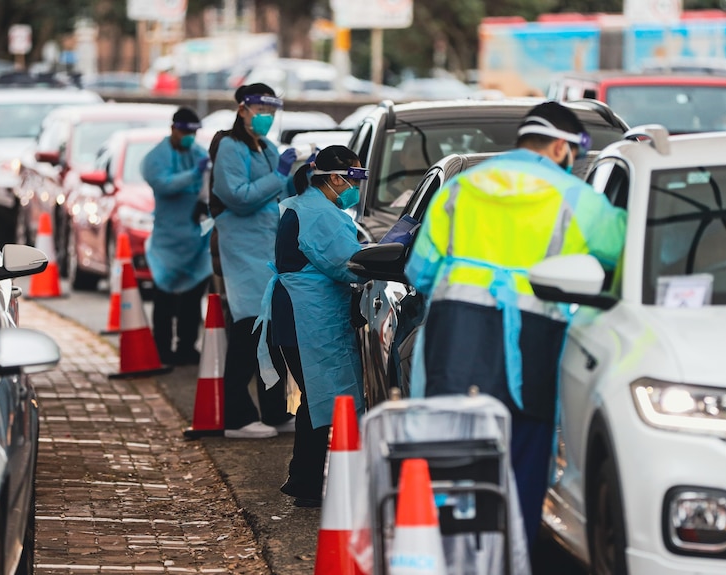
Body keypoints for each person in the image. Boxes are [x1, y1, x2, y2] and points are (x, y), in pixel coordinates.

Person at [404, 101, 627, 549]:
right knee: (524, 460)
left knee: (452, 456)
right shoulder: (577, 197)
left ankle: (454, 553)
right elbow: (624, 261)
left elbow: (419, 271)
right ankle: (512, 552)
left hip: (454, 339)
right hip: (532, 342)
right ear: (562, 147)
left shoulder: (459, 189)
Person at [254, 145, 368, 506]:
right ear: (335, 178)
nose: (357, 186)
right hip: (310, 318)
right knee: (324, 401)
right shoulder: (322, 214)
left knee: (317, 400)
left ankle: (305, 479)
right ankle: (307, 482)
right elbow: (347, 264)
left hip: (300, 315)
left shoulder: (305, 205)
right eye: (356, 178)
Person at [212, 83, 298, 439]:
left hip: (266, 253)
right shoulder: (230, 148)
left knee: (272, 334)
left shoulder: (267, 147)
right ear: (243, 109)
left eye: (271, 112)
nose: (267, 118)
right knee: (248, 331)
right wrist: (278, 176)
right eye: (261, 111)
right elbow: (238, 196)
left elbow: (280, 194)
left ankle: (274, 412)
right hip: (242, 250)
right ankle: (236, 417)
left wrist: (298, 175)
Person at [141, 107, 212, 366]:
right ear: (173, 128)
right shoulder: (155, 158)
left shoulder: (199, 154)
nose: (189, 137)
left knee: (192, 299)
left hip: (195, 240)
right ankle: (161, 347)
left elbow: (208, 187)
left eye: (194, 133)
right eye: (185, 131)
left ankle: (186, 346)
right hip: (168, 241)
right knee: (165, 299)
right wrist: (193, 175)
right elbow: (163, 184)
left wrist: (203, 202)